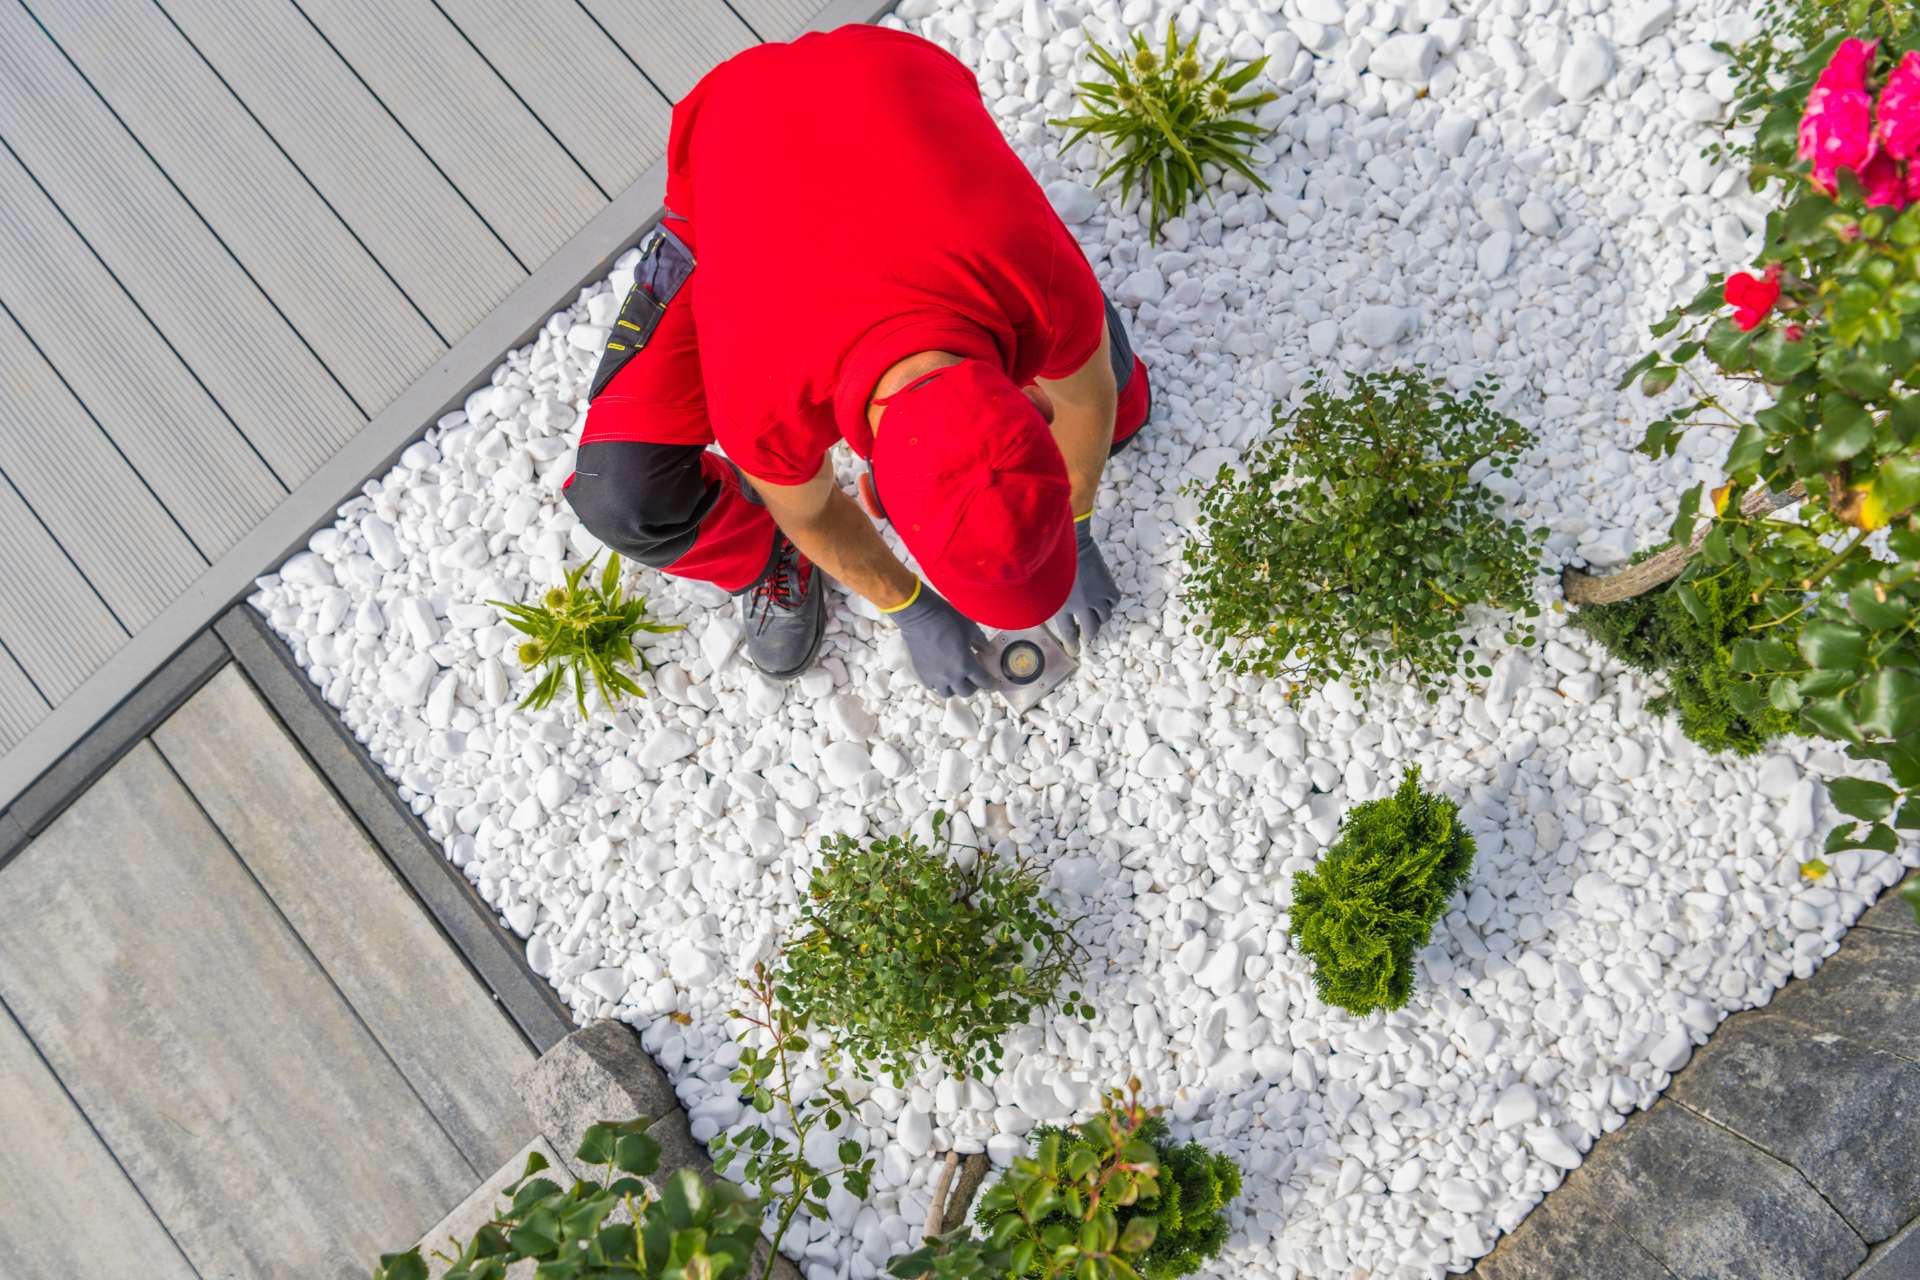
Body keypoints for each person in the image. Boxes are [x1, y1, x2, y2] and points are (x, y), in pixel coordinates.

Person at [562, 23, 1152, 699]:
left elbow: (1084, 398)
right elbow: (812, 513)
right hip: (738, 122)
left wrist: (1071, 527)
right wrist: (910, 606)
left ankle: (1094, 354)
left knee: (1067, 322)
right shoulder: (764, 406)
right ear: (867, 498)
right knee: (622, 496)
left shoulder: (1036, 288)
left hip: (887, 70)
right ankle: (763, 554)